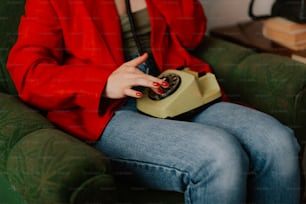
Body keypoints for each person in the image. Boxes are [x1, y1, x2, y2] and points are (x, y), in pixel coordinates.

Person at [7, 0, 301, 203]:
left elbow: (191, 31)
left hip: (169, 89)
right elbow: (27, 71)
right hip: (107, 109)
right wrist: (103, 83)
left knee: (277, 141)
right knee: (219, 154)